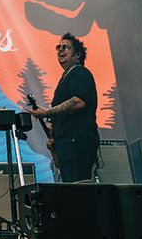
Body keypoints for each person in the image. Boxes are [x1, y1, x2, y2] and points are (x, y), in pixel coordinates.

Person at [26, 33, 99, 183]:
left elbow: (78, 102)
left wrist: (46, 112)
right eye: (58, 47)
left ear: (77, 54)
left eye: (66, 47)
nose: (60, 50)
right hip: (67, 143)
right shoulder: (66, 77)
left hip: (78, 141)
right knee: (70, 187)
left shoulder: (80, 73)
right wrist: (54, 140)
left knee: (78, 187)